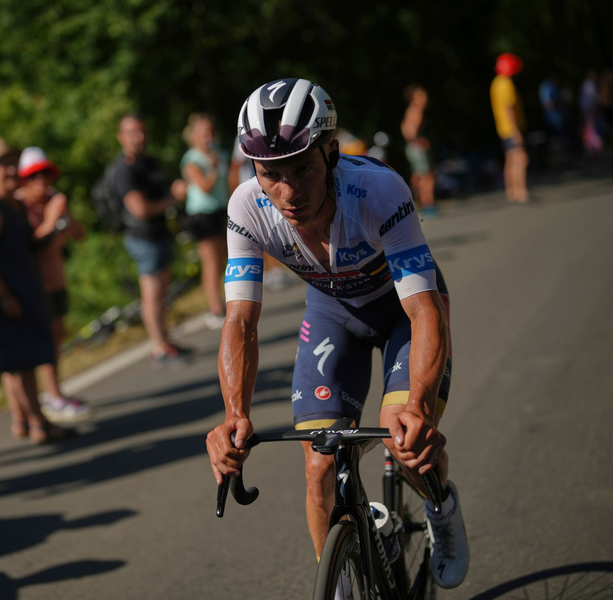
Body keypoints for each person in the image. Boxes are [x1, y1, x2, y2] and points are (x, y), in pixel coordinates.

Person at [205, 79, 469, 589]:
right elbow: (240, 321)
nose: (287, 191)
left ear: (331, 153)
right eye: (270, 174)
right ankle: (343, 584)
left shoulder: (379, 191)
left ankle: (441, 505)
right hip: (333, 311)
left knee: (402, 436)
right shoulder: (245, 209)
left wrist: (417, 402)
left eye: (302, 168)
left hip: (403, 309)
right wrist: (235, 413)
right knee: (318, 465)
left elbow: (424, 310)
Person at [0, 138, 70, 443]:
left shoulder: (13, 203)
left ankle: (31, 421)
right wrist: (3, 295)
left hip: (25, 292)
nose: (11, 169)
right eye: (3, 164)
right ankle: (38, 424)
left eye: (13, 161)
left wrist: (53, 224)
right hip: (6, 296)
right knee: (19, 364)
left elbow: (31, 244)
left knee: (24, 362)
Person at [16, 146, 92, 423]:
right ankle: (52, 396)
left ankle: (54, 392)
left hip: (56, 279)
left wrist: (66, 214)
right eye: (34, 176)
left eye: (45, 174)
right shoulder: (20, 205)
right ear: (24, 179)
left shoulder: (52, 200)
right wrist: (51, 217)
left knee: (58, 335)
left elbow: (80, 235)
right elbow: (32, 244)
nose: (42, 181)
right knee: (47, 340)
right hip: (37, 285)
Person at [112, 114, 190, 367]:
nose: (139, 136)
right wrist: (172, 198)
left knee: (161, 292)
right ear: (120, 137)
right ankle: (160, 347)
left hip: (159, 234)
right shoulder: (125, 169)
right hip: (142, 238)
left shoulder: (148, 162)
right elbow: (140, 209)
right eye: (132, 132)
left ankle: (165, 341)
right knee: (152, 294)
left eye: (142, 130)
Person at [180, 114, 228, 329]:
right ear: (193, 136)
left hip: (221, 210)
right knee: (211, 263)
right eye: (202, 133)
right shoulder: (191, 159)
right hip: (201, 215)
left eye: (209, 132)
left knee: (226, 260)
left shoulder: (219, 152)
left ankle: (227, 302)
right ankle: (215, 308)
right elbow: (205, 186)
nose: (207, 137)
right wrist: (215, 168)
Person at [229, 138, 295, 292]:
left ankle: (274, 270)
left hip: (269, 185)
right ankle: (268, 272)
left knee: (273, 226)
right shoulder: (246, 135)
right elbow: (235, 166)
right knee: (264, 229)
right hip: (254, 190)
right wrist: (235, 195)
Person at [490, 53, 529, 203]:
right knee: (521, 158)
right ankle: (521, 192)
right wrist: (516, 131)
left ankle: (511, 191)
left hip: (502, 128)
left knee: (510, 159)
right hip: (510, 128)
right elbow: (509, 108)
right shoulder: (506, 84)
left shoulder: (496, 83)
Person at [401, 85, 437, 216]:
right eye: (420, 95)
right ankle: (428, 205)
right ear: (413, 98)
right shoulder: (416, 110)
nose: (424, 98)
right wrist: (418, 140)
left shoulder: (411, 110)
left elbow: (404, 126)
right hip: (416, 147)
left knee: (418, 176)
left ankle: (415, 203)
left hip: (412, 147)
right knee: (428, 176)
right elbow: (408, 130)